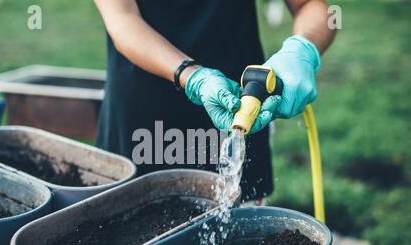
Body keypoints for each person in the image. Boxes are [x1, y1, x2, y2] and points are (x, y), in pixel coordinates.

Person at [94, 0, 336, 204]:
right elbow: (123, 21)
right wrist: (193, 77)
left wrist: (302, 49)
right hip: (146, 125)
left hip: (240, 114)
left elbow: (316, 8)